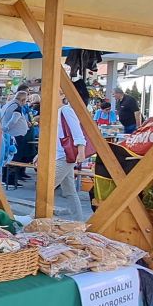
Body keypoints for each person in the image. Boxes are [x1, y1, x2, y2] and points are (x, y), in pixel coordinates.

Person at [50, 89, 86, 221]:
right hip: (61, 154)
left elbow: (77, 131)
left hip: (64, 155)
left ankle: (33, 216)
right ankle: (78, 219)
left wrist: (81, 151)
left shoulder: (65, 110)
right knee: (69, 190)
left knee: (47, 187)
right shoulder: (56, 112)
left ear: (62, 95)